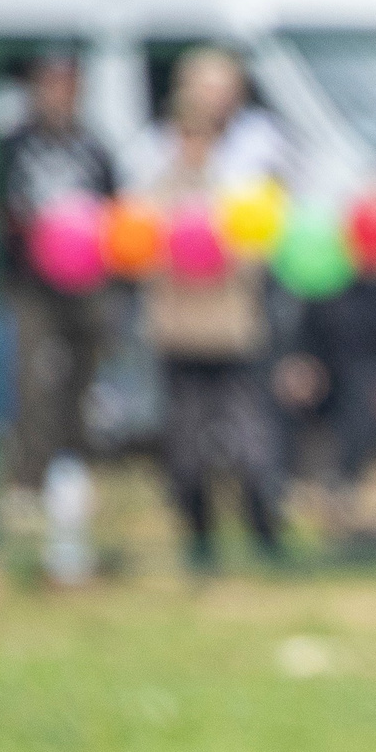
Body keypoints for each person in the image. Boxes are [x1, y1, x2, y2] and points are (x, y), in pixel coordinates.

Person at [142, 71, 284, 572]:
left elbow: (257, 254)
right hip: (180, 336)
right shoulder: (157, 192)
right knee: (186, 451)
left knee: (251, 445)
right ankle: (199, 546)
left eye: (203, 134)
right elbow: (138, 252)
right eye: (185, 133)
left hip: (231, 337)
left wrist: (220, 248)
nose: (193, 144)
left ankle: (266, 538)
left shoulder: (237, 191)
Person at [272, 205, 376, 531]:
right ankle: (280, 484)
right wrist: (302, 369)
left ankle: (342, 483)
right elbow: (307, 342)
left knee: (362, 391)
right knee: (282, 396)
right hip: (329, 380)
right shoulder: (329, 285)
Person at [0, 52, 118, 498]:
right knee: (32, 380)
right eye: (50, 83)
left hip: (87, 282)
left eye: (67, 85)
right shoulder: (12, 146)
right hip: (31, 283)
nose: (59, 95)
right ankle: (27, 477)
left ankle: (72, 472)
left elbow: (115, 211)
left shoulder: (94, 148)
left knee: (84, 379)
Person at [129, 46, 292, 190]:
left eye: (225, 90)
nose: (218, 99)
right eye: (209, 89)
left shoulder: (260, 134)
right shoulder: (156, 140)